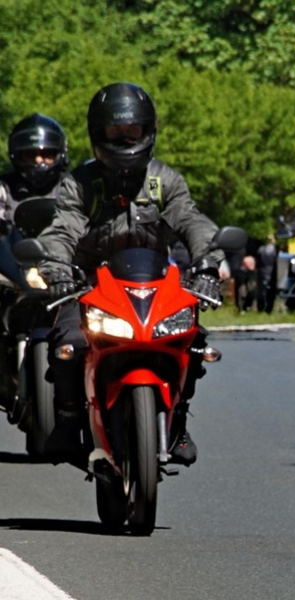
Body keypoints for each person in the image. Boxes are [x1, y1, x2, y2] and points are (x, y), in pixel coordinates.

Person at [37, 82, 224, 465]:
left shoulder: (164, 181)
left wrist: (208, 261)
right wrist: (56, 269)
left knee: (193, 340)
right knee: (67, 343)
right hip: (90, 284)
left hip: (155, 282)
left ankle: (178, 423)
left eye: (132, 132)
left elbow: (192, 221)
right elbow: (62, 228)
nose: (124, 140)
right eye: (114, 133)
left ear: (148, 132)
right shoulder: (81, 183)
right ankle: (69, 419)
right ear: (97, 134)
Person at [0, 114, 70, 416]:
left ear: (59, 155)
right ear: (17, 156)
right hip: (13, 271)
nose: (39, 161)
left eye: (46, 154)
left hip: (66, 274)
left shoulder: (74, 187)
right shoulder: (4, 188)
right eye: (31, 154)